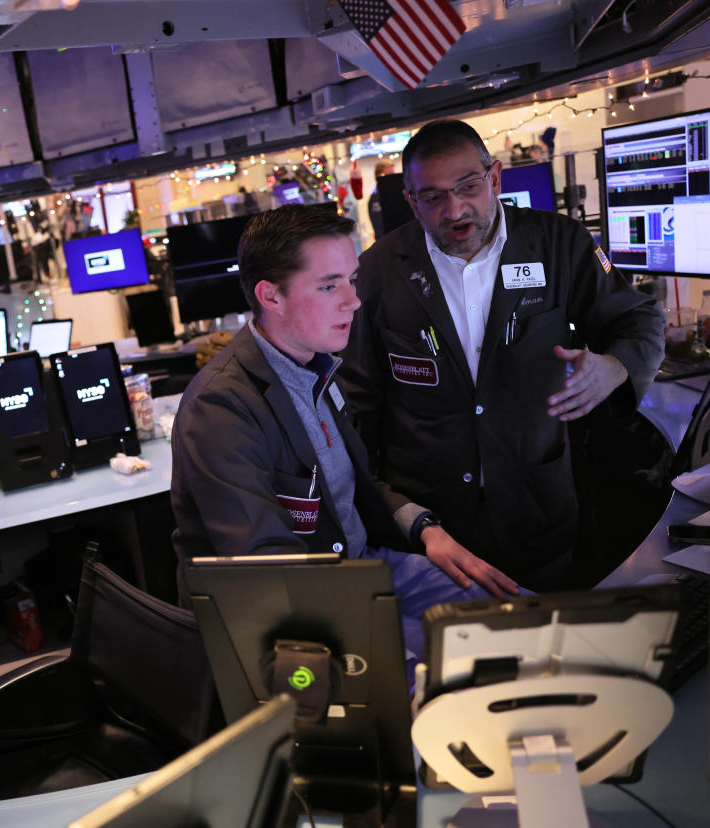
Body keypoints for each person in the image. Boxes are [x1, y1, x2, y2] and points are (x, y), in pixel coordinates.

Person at [338, 120, 664, 593]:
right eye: (432, 197)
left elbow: (640, 319)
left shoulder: (560, 243)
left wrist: (613, 368)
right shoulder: (376, 271)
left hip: (539, 513)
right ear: (411, 201)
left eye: (467, 186)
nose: (454, 209)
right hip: (434, 535)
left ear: (494, 179)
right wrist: (386, 510)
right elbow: (357, 404)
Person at [170, 205, 494, 669]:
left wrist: (422, 526)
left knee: (519, 622)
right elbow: (266, 571)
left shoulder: (317, 366)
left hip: (365, 570)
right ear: (271, 296)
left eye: (351, 279)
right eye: (328, 286)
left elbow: (353, 487)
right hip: (297, 615)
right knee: (452, 685)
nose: (353, 301)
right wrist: (379, 654)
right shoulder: (222, 408)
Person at [367, 159, 395, 243]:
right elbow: (379, 227)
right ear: (379, 177)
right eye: (388, 176)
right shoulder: (376, 198)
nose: (392, 179)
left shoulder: (396, 194)